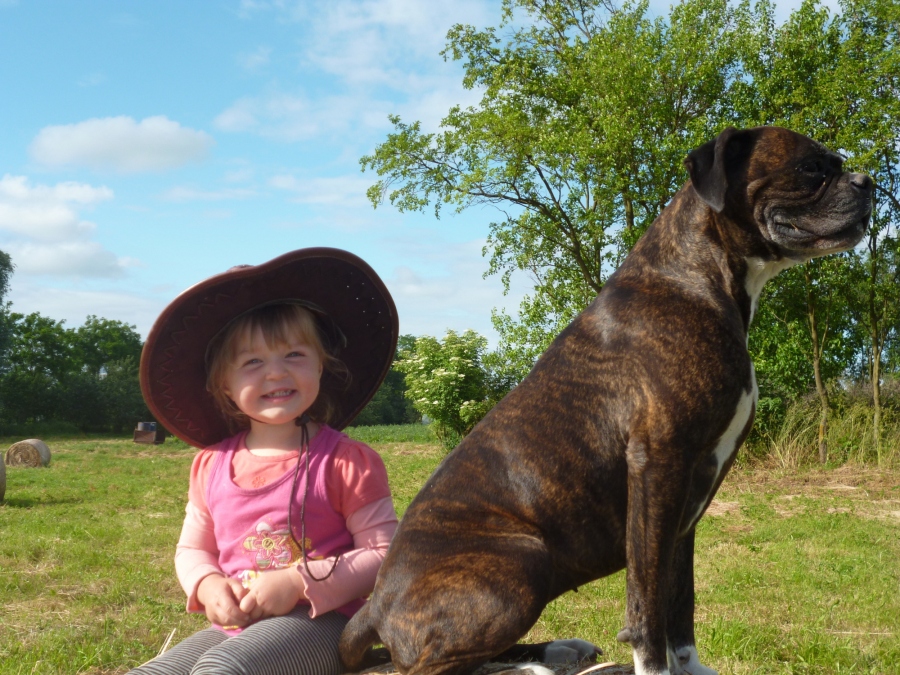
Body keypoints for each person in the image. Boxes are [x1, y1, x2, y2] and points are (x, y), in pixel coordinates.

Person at [134, 248, 400, 675]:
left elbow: (384, 552)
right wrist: (207, 584)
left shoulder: (346, 461)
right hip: (237, 628)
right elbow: (193, 548)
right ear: (224, 383)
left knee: (223, 671)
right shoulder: (211, 464)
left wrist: (298, 582)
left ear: (321, 365)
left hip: (325, 624)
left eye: (294, 355)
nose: (275, 373)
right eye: (253, 362)